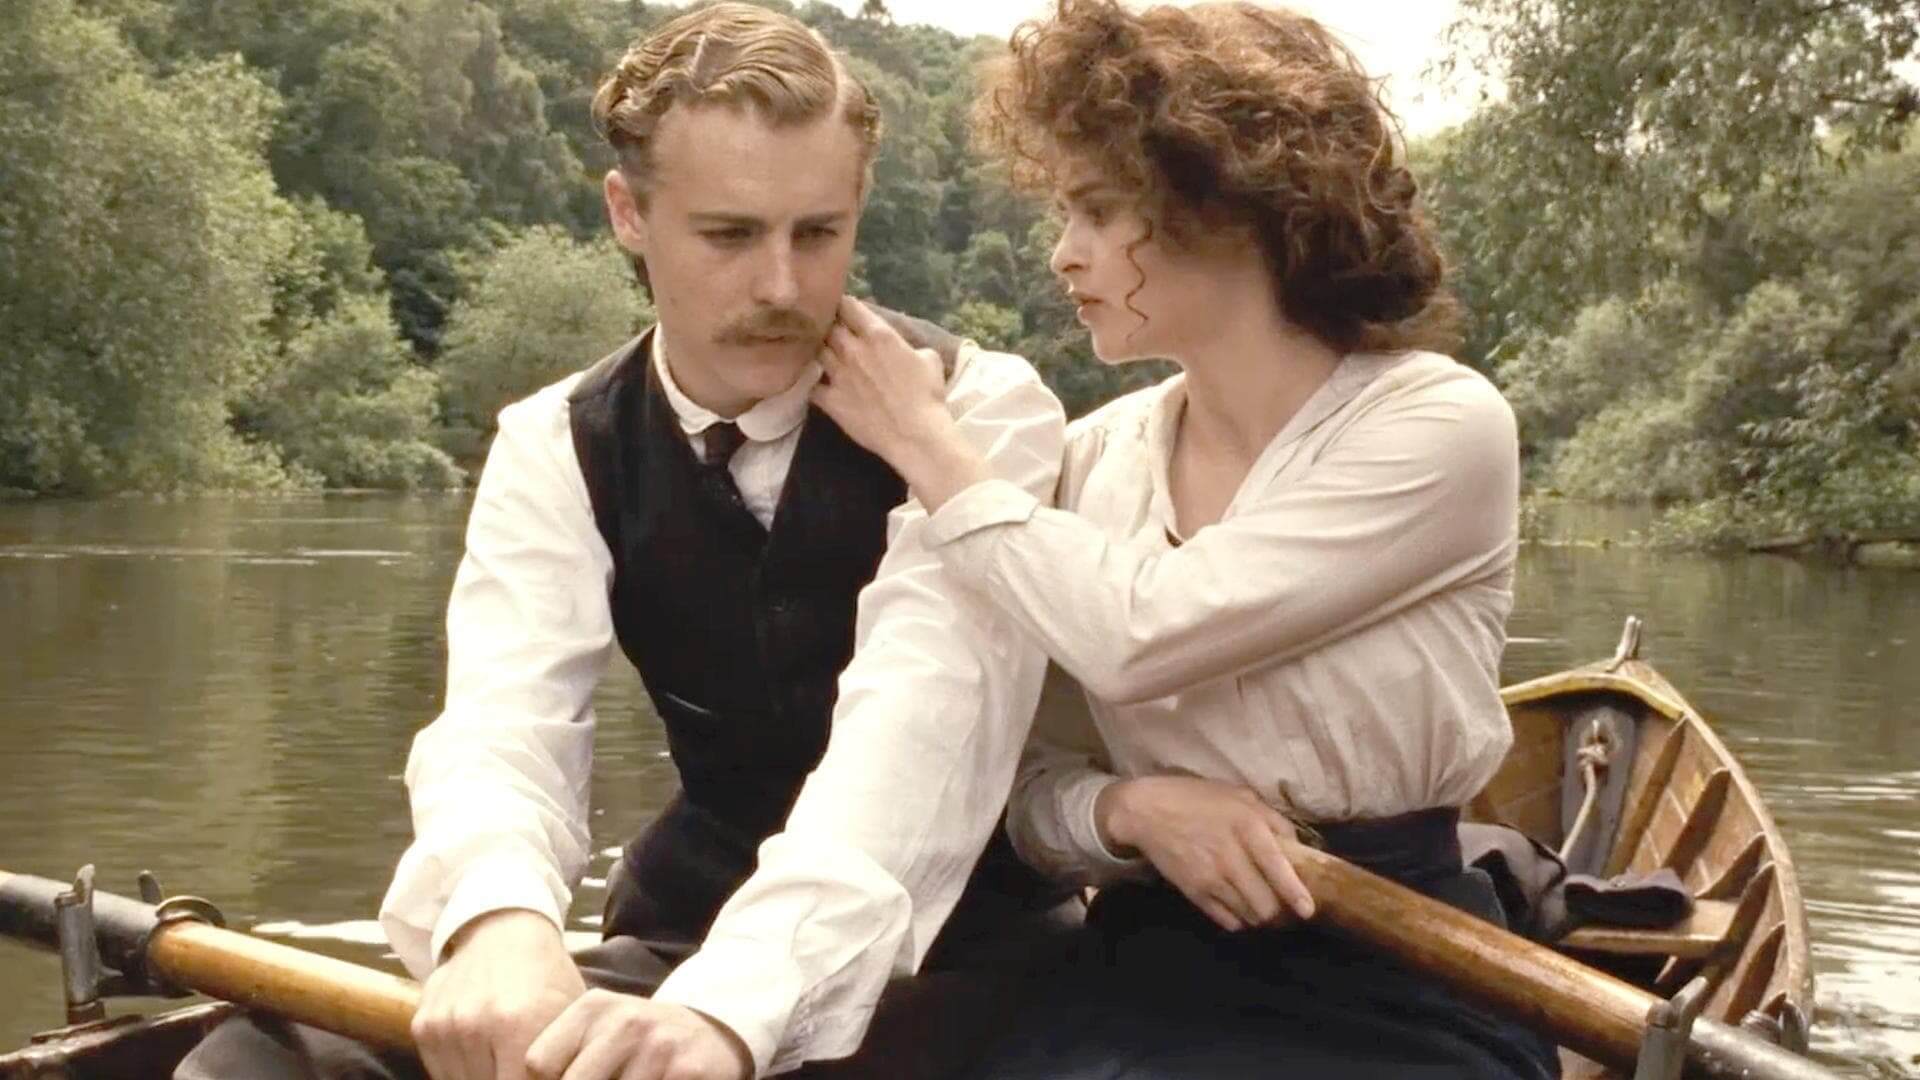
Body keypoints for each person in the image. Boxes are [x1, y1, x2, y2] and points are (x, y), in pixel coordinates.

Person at [174, 5, 1073, 1080]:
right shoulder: (556, 439)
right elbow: (505, 723)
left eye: (818, 233)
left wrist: (730, 1014)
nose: (782, 287)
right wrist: (500, 923)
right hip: (683, 938)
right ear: (627, 214)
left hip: (955, 972)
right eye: (729, 235)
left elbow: (918, 736)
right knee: (256, 1060)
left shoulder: (980, 413)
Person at [807, 1, 1564, 1076]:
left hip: (1405, 964)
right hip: (1145, 967)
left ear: (1222, 205)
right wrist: (1128, 811)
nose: (1063, 255)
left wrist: (926, 443)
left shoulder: (1441, 425)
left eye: (1096, 210)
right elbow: (1024, 781)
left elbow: (1142, 633)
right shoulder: (1089, 461)